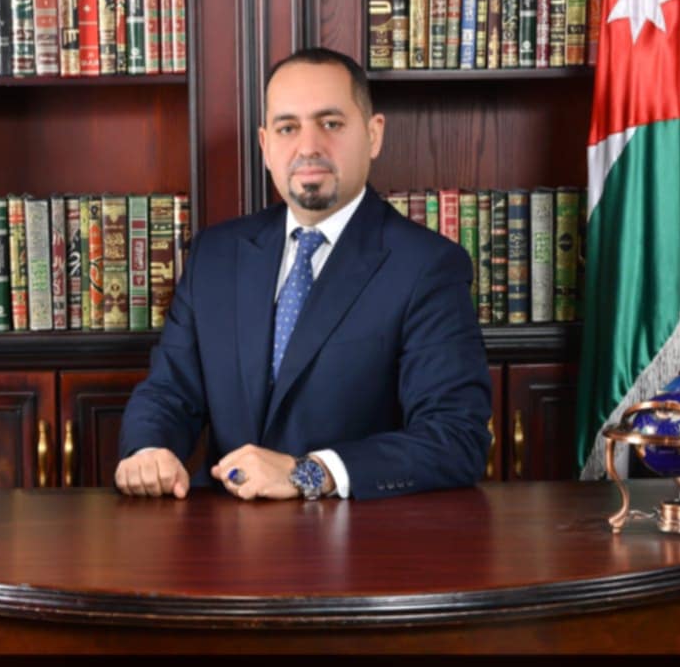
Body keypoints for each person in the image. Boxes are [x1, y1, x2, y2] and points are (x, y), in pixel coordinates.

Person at [115, 47, 492, 501]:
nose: (308, 146)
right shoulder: (215, 256)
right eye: (287, 127)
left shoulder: (427, 266)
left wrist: (308, 473)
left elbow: (455, 438)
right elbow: (168, 392)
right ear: (265, 144)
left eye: (330, 124)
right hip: (224, 533)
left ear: (373, 135)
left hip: (359, 537)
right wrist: (149, 451)